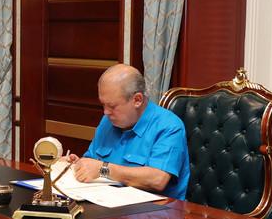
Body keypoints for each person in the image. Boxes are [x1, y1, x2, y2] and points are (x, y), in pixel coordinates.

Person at [67, 63, 190, 199]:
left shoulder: (169, 126)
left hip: (153, 213)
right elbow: (92, 160)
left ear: (137, 100)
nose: (106, 112)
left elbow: (158, 180)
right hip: (105, 204)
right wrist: (79, 165)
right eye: (103, 104)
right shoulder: (108, 120)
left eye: (112, 106)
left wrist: (104, 169)